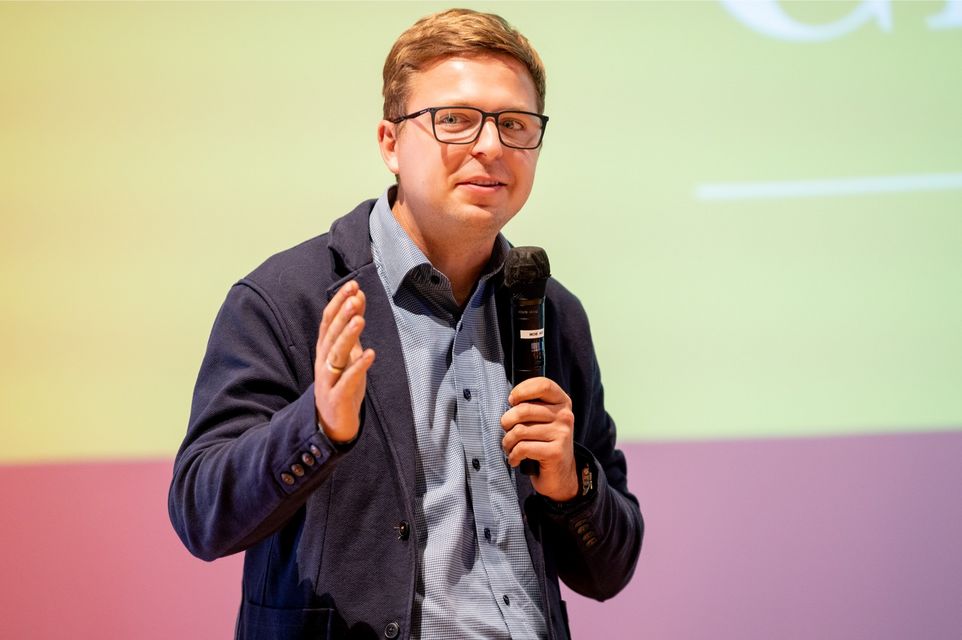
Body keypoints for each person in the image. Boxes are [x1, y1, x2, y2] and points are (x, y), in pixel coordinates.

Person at [169, 8, 643, 640]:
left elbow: (610, 568)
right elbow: (202, 514)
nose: (491, 146)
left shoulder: (551, 312)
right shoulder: (286, 299)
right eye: (456, 120)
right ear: (390, 144)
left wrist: (571, 484)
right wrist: (318, 428)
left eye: (515, 125)